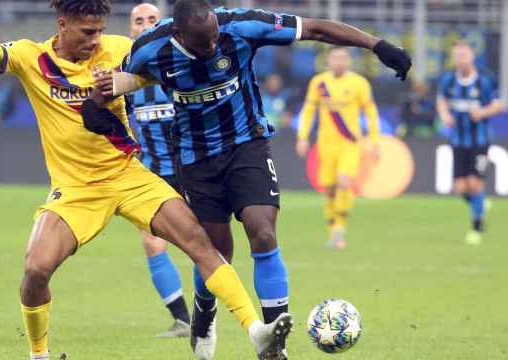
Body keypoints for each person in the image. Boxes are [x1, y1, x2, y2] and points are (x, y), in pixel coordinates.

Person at [0, 1, 292, 360]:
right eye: (87, 32)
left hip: (129, 176)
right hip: (77, 190)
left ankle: (257, 333)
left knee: (202, 245)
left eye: (100, 31)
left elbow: (168, 60)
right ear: (62, 24)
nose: (97, 40)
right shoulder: (29, 57)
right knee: (36, 269)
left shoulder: (119, 49)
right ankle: (40, 355)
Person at [107, 1, 411, 358]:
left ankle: (274, 345)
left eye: (214, 39)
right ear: (178, 34)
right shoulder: (150, 47)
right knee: (216, 253)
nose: (211, 48)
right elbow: (110, 86)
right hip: (196, 156)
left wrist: (377, 45)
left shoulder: (241, 25)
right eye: (201, 45)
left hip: (246, 144)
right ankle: (204, 314)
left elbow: (315, 28)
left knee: (263, 231)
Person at [127, 3, 190, 338]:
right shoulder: (126, 76)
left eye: (153, 19)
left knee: (204, 244)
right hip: (152, 174)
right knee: (152, 243)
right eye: (139, 21)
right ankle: (182, 318)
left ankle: (213, 311)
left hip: (192, 167)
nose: (147, 24)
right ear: (131, 31)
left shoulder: (180, 65)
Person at [296, 46, 381, 250]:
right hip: (326, 143)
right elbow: (308, 110)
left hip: (350, 142)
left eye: (343, 58)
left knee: (345, 182)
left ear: (349, 61)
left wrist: (374, 139)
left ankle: (340, 228)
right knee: (330, 188)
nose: (339, 62)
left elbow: (370, 111)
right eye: (335, 58)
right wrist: (302, 137)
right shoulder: (319, 82)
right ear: (328, 61)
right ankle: (333, 228)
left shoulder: (359, 83)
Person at [436, 41, 506, 245]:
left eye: (464, 55)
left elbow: (500, 105)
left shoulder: (485, 80)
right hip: (457, 140)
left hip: (480, 140)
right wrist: (444, 114)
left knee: (474, 184)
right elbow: (441, 99)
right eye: (457, 55)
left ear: (472, 57)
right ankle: (481, 203)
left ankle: (477, 226)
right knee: (459, 188)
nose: (461, 59)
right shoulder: (449, 79)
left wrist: (483, 112)